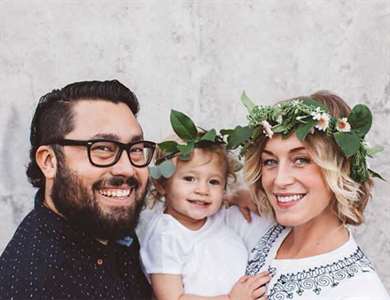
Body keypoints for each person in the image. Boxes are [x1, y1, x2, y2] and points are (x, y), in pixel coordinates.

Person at [226, 91, 390, 299]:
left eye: (301, 160)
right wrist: (226, 197)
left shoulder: (360, 291)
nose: (279, 180)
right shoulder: (258, 229)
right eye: (270, 161)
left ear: (339, 169)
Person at [0, 80, 154, 299]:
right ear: (49, 162)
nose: (128, 169)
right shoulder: (35, 286)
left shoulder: (104, 222)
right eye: (102, 148)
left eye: (136, 149)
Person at [137, 110, 270, 300]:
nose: (203, 190)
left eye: (213, 182)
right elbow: (172, 298)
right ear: (162, 184)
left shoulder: (216, 215)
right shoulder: (166, 236)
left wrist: (239, 195)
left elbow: (224, 199)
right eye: (190, 178)